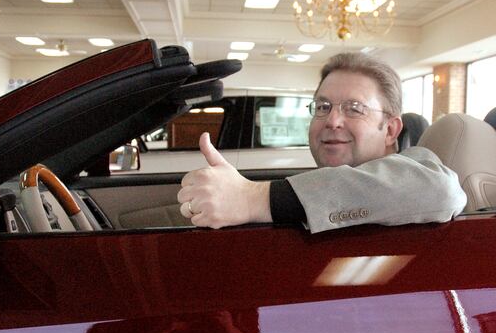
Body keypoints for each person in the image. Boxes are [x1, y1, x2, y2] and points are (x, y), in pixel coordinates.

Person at [177, 52, 466, 233]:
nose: (332, 120)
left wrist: (253, 199)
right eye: (323, 106)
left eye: (354, 108)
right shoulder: (319, 183)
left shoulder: (419, 164)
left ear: (391, 130)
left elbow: (441, 191)